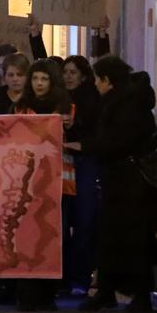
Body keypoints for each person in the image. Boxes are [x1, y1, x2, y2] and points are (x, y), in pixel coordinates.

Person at [69, 55, 157, 313]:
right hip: (121, 179)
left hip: (130, 181)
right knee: (114, 236)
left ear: (107, 81)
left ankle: (135, 293)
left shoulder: (126, 105)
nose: (95, 85)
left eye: (97, 80)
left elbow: (118, 141)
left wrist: (86, 146)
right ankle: (111, 290)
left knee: (130, 237)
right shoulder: (123, 101)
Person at [11, 58, 69, 312]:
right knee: (25, 234)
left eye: (44, 79)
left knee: (50, 233)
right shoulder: (21, 106)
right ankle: (26, 292)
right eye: (35, 78)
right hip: (26, 177)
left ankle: (47, 293)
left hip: (55, 177)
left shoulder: (63, 106)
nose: (39, 83)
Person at [61, 54, 103, 297]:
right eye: (65, 72)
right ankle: (66, 276)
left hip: (85, 163)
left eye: (73, 72)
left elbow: (94, 132)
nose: (67, 76)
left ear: (84, 76)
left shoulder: (92, 100)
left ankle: (82, 274)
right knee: (64, 221)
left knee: (85, 221)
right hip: (65, 162)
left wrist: (78, 138)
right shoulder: (60, 98)